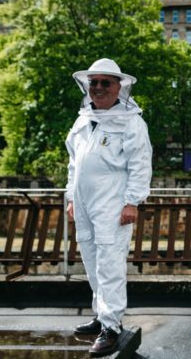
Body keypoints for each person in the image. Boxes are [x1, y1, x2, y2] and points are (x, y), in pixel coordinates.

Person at [65, 58, 152, 357]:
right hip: (85, 203)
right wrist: (71, 199)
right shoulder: (82, 120)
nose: (98, 87)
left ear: (119, 87)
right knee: (90, 259)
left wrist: (133, 201)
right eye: (94, 82)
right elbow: (74, 164)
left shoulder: (131, 122)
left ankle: (112, 326)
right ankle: (101, 315)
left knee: (110, 264)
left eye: (106, 82)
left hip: (113, 203)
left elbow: (141, 164)